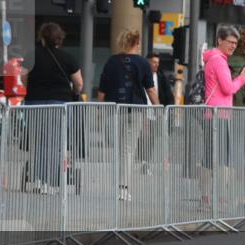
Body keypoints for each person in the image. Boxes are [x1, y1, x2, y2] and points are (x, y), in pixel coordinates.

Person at [200, 26, 245, 209]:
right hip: (219, 115)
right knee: (215, 159)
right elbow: (228, 88)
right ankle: (210, 196)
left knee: (211, 158)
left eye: (235, 43)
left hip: (215, 113)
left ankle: (208, 196)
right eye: (230, 42)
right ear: (220, 40)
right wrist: (244, 78)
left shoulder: (215, 59)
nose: (233, 46)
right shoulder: (219, 61)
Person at [98, 29, 159, 201]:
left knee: (119, 149)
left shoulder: (111, 62)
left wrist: (100, 111)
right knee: (128, 150)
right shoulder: (143, 63)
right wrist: (158, 108)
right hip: (136, 110)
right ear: (137, 43)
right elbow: (150, 90)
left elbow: (102, 89)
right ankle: (122, 187)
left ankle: (119, 185)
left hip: (115, 111)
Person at [24, 22, 83, 193]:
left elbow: (22, 78)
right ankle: (50, 182)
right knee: (56, 143)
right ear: (60, 39)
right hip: (59, 104)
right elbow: (79, 83)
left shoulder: (31, 55)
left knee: (37, 143)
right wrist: (74, 92)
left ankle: (37, 181)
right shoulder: (68, 58)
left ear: (42, 37)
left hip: (34, 103)